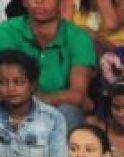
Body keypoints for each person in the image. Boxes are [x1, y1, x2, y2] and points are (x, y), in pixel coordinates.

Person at [0, 0, 95, 130]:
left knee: (69, 110)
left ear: (61, 3)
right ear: (24, 2)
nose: (39, 1)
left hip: (56, 108)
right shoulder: (6, 31)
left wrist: (29, 97)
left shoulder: (79, 37)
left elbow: (77, 95)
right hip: (10, 104)